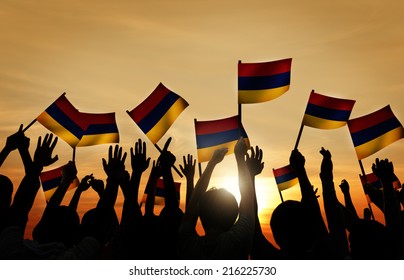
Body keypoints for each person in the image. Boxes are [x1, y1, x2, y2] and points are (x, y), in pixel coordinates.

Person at [178, 137, 255, 259]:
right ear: (234, 214)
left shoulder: (188, 245)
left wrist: (212, 163)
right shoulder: (239, 241)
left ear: (201, 214)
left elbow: (194, 201)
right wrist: (240, 158)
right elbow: (248, 197)